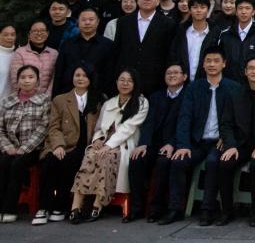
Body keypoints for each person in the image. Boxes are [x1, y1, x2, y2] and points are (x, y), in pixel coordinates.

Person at [161, 47, 241, 226]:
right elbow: (184, 118)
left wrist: (228, 139)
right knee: (178, 161)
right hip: (196, 141)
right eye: (208, 61)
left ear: (224, 64)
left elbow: (238, 120)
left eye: (216, 61)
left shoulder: (233, 88)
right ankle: (175, 209)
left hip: (219, 142)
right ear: (203, 64)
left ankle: (207, 209)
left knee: (213, 162)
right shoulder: (194, 87)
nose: (212, 64)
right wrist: (182, 145)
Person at [69, 68, 148, 223]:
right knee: (90, 155)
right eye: (122, 80)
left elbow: (128, 128)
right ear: (116, 82)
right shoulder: (109, 103)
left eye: (129, 80)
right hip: (105, 142)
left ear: (135, 84)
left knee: (105, 157)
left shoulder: (141, 102)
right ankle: (76, 206)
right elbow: (99, 128)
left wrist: (108, 146)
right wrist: (97, 140)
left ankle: (97, 204)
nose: (125, 83)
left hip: (124, 144)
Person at [35, 64, 102, 225]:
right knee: (50, 162)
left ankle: (60, 206)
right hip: (63, 143)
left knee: (69, 163)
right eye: (77, 75)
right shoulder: (60, 99)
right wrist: (58, 145)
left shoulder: (98, 100)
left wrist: (98, 140)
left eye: (84, 75)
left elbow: (102, 126)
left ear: (90, 79)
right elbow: (54, 126)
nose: (80, 78)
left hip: (85, 146)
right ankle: (43, 207)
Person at [126, 63, 186, 222]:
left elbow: (186, 125)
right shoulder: (156, 96)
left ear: (185, 76)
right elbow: (149, 123)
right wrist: (143, 143)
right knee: (137, 159)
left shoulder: (188, 96)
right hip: (154, 143)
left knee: (163, 163)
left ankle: (155, 209)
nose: (172, 75)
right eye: (168, 73)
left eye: (176, 72)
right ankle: (136, 208)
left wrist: (173, 143)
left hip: (175, 144)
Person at [218, 57, 255, 227]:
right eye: (251, 68)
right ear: (245, 71)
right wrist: (231, 145)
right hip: (239, 144)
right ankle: (227, 211)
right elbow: (226, 124)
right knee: (224, 163)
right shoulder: (235, 94)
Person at [0, 65, 50, 222]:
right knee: (3, 162)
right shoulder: (6, 101)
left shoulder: (44, 101)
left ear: (37, 81)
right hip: (9, 147)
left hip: (33, 148)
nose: (26, 81)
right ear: (17, 81)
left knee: (17, 164)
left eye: (30, 77)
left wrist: (24, 148)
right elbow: (0, 129)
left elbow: (44, 128)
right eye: (23, 77)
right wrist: (8, 147)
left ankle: (9, 209)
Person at [112, 0, 177, 95]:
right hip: (127, 80)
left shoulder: (168, 24)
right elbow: (117, 50)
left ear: (158, 1)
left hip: (155, 81)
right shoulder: (124, 22)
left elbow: (170, 53)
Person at [218, 0, 255, 83]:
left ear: (253, 12)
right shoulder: (225, 34)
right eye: (240, 8)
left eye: (247, 8)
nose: (243, 12)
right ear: (236, 11)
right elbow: (220, 59)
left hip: (252, 84)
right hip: (228, 83)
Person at [170, 0, 219, 83]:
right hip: (182, 81)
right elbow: (173, 55)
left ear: (208, 10)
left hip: (206, 82)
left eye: (202, 7)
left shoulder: (216, 33)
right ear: (189, 10)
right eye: (195, 7)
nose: (198, 10)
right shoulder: (181, 32)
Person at [10, 20, 58, 96]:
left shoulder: (54, 54)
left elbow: (54, 79)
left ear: (47, 33)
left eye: (42, 30)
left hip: (46, 99)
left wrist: (46, 98)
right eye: (35, 31)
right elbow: (15, 79)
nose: (39, 33)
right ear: (29, 34)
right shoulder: (20, 52)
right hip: (24, 98)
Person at [0, 25, 14, 100]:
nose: (10, 37)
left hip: (12, 104)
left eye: (12, 34)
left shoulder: (18, 55)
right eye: (5, 35)